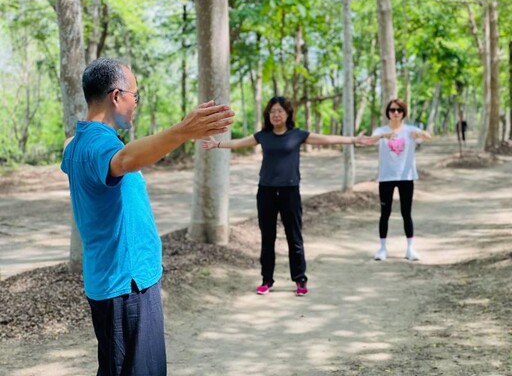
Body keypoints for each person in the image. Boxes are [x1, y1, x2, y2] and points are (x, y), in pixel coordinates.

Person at [61, 57, 233, 375]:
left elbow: (77, 145)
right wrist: (183, 130)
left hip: (114, 281)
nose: (135, 104)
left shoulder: (78, 144)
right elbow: (125, 160)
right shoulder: (101, 145)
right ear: (116, 96)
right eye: (135, 96)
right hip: (127, 284)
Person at [202, 96, 375, 296]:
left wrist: (354, 140)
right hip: (266, 191)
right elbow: (240, 143)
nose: (276, 114)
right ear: (268, 114)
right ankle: (266, 280)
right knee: (268, 239)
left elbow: (326, 139)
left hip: (290, 192)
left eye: (280, 111)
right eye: (272, 111)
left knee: (294, 238)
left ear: (287, 114)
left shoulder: (297, 135)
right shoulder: (263, 135)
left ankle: (300, 280)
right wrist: (217, 145)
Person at [371, 98, 431, 262]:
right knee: (385, 213)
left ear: (403, 113)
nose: (395, 113)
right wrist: (383, 135)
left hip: (406, 176)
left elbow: (429, 136)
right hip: (386, 177)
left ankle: (410, 248)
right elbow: (370, 140)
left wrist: (420, 133)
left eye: (399, 110)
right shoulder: (380, 130)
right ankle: (382, 248)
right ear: (388, 113)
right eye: (392, 110)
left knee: (406, 212)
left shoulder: (410, 130)